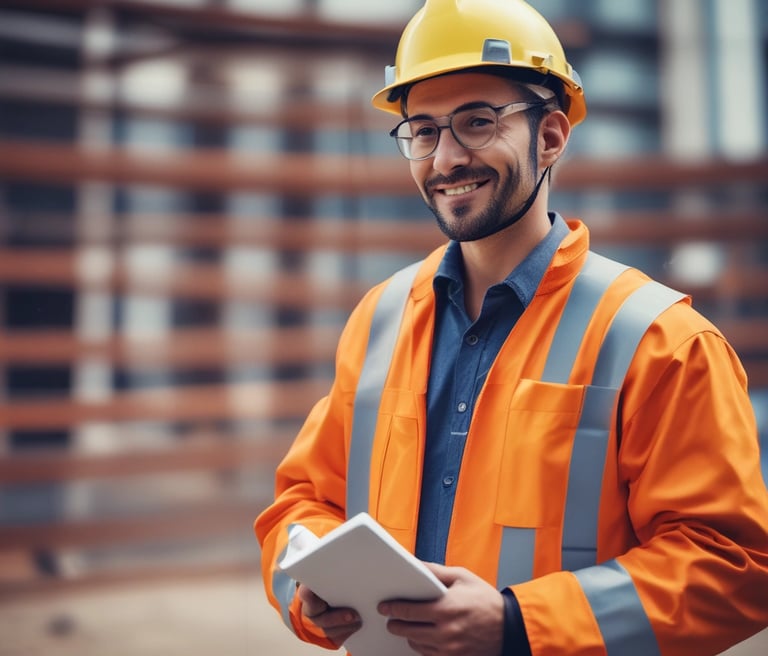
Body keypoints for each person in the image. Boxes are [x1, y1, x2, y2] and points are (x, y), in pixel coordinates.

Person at [255, 1, 768, 654]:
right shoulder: (380, 320)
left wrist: (518, 623)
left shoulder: (660, 342)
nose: (445, 159)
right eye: (423, 131)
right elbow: (302, 501)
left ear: (550, 137)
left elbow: (734, 565)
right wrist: (308, 590)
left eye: (477, 122)